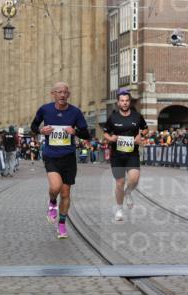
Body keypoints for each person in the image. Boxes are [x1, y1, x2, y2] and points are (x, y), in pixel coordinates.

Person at [31, 82, 92, 239]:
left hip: (69, 157)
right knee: (56, 186)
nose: (62, 95)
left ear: (68, 94)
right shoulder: (45, 110)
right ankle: (52, 202)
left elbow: (87, 134)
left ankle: (62, 224)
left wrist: (76, 131)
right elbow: (33, 126)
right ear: (53, 94)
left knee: (66, 193)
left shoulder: (75, 112)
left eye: (65, 92)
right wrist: (40, 130)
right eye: (59, 92)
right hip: (51, 155)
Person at [102, 88, 148, 222]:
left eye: (127, 100)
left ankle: (128, 192)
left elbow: (145, 129)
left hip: (132, 153)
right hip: (117, 155)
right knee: (119, 183)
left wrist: (140, 136)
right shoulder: (113, 117)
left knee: (134, 179)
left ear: (130, 102)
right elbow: (106, 132)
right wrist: (110, 139)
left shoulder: (137, 116)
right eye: (122, 101)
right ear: (118, 103)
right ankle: (119, 209)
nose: (125, 103)